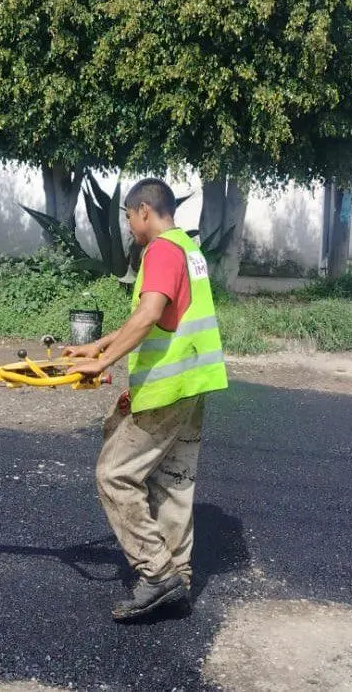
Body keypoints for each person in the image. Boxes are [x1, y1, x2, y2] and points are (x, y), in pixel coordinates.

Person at [64, 178, 228, 622]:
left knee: (114, 474)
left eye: (128, 217)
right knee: (173, 480)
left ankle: (157, 575)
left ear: (142, 211)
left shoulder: (159, 250)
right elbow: (152, 317)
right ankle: (179, 577)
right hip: (193, 384)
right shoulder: (187, 249)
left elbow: (151, 311)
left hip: (166, 387)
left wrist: (102, 363)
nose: (129, 226)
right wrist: (100, 345)